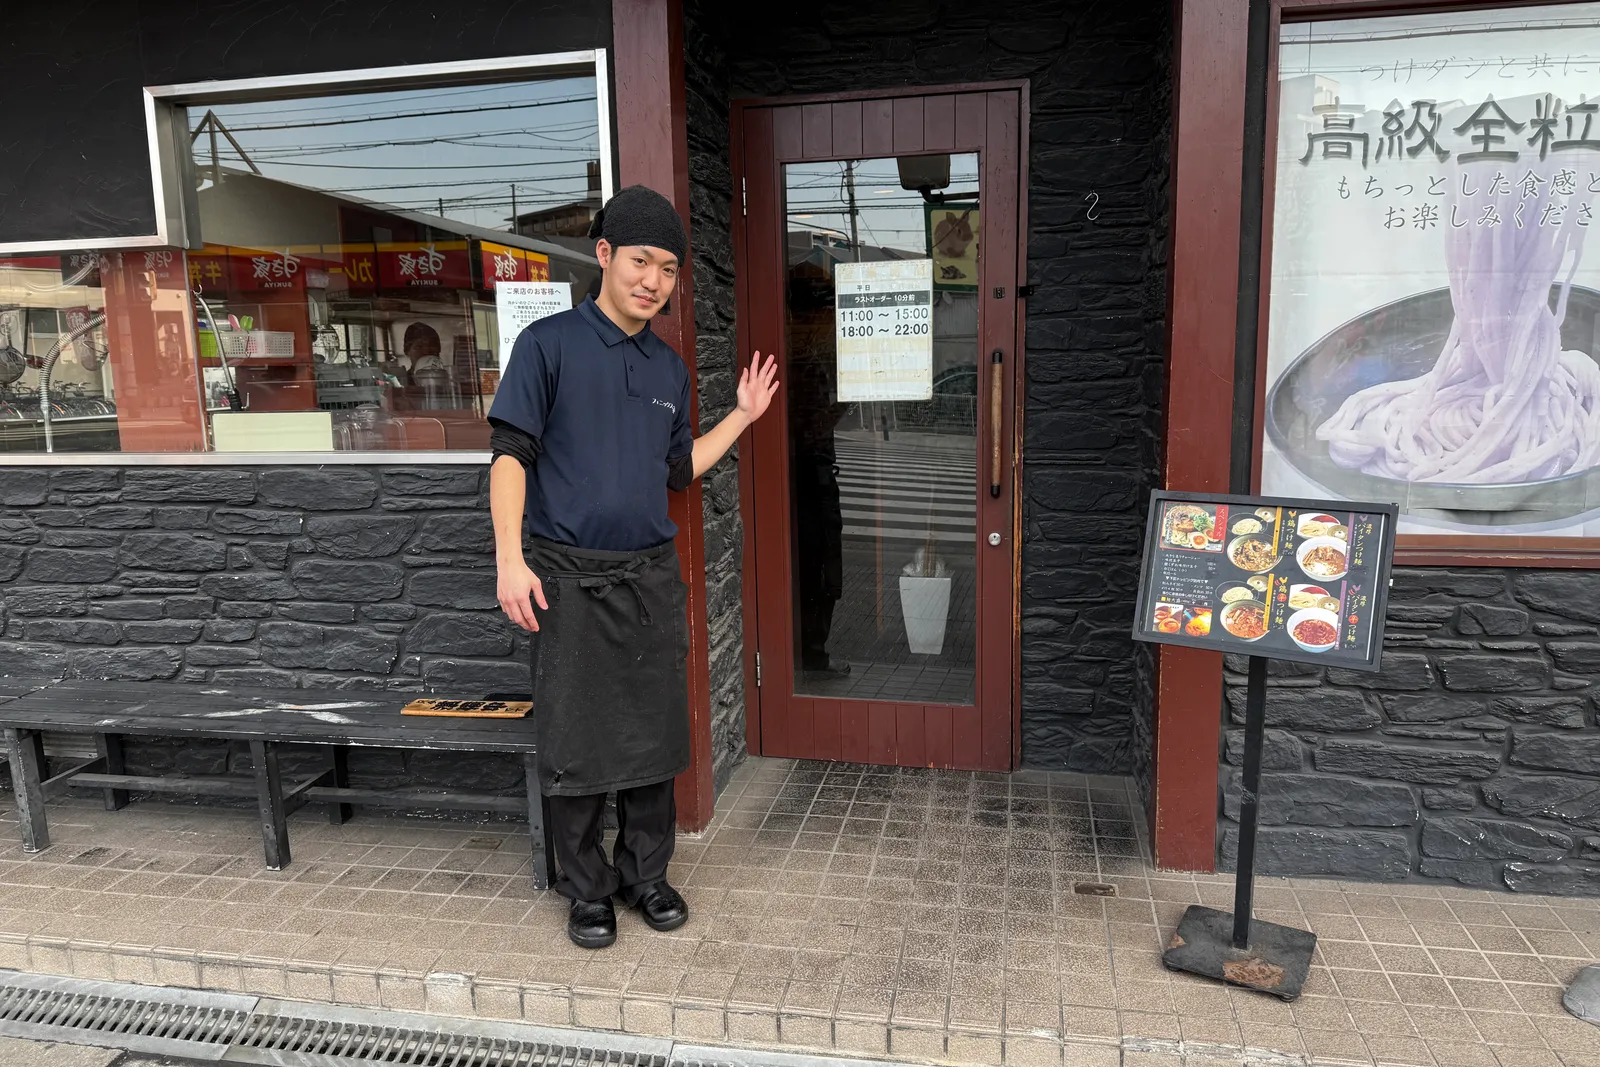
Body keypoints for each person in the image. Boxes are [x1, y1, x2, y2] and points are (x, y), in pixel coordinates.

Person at [487, 184, 779, 949]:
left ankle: (646, 873)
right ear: (605, 254)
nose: (654, 280)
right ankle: (587, 887)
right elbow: (510, 453)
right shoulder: (547, 345)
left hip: (647, 576)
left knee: (654, 735)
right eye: (641, 261)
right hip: (565, 576)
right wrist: (510, 558)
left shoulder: (667, 368)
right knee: (576, 738)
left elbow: (680, 469)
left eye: (668, 269)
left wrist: (743, 415)